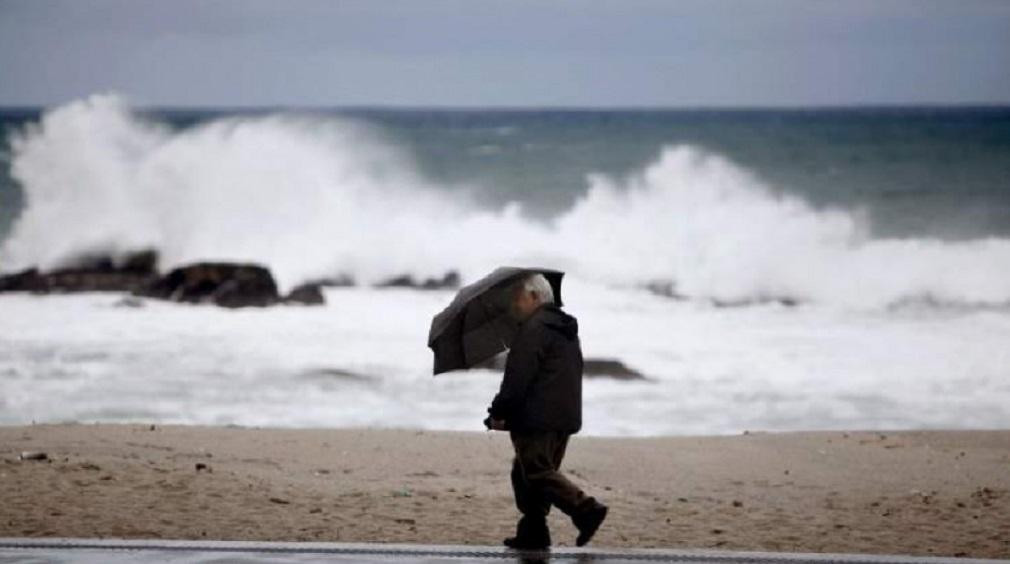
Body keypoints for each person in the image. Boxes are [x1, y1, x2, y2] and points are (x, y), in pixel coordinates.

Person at [484, 273, 608, 550]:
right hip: (563, 416)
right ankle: (533, 532)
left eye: (517, 298)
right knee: (525, 472)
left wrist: (499, 410)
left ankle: (586, 509)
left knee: (537, 473)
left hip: (538, 418)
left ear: (534, 297)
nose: (513, 305)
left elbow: (517, 378)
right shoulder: (562, 328)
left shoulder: (534, 329)